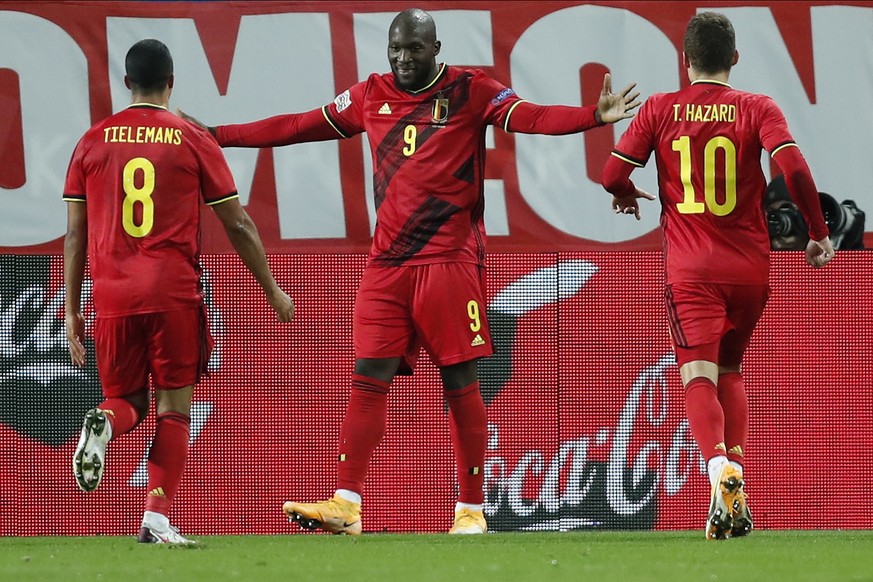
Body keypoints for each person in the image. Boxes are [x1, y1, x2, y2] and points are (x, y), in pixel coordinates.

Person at [181, 7, 639, 535]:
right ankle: (346, 504)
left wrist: (592, 117)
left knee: (459, 382)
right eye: (395, 48)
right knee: (367, 376)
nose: (402, 58)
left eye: (413, 49)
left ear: (435, 48)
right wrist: (219, 133)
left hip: (449, 261)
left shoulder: (470, 89)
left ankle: (471, 510)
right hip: (387, 265)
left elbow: (530, 117)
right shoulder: (370, 94)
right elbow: (298, 125)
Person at [601, 12, 835, 540]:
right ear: (734, 58)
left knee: (697, 376)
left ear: (685, 61)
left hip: (692, 269)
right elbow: (794, 170)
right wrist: (818, 233)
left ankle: (718, 469)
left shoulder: (661, 108)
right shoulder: (757, 107)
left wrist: (623, 194)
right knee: (730, 369)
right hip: (751, 269)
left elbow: (613, 172)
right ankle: (735, 480)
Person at [63, 39, 295, 545]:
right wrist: (273, 289)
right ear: (172, 83)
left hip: (112, 298)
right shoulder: (189, 137)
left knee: (125, 401)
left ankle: (104, 421)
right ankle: (156, 516)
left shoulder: (91, 141)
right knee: (173, 407)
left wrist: (72, 306)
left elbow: (76, 234)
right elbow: (237, 223)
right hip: (173, 293)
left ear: (127, 84)